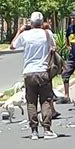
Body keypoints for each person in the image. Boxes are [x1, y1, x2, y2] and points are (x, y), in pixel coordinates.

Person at [10, 11, 57, 140]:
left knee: (31, 102)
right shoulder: (47, 34)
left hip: (29, 72)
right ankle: (47, 129)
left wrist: (19, 31)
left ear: (30, 22)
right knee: (46, 100)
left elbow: (12, 46)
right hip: (43, 71)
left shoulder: (25, 35)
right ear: (42, 23)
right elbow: (54, 47)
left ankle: (34, 131)